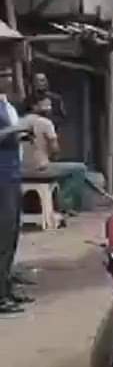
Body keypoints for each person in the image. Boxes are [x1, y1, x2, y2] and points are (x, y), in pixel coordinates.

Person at [21, 94, 89, 214]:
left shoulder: (18, 121)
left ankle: (55, 202)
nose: (49, 108)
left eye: (50, 105)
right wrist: (52, 155)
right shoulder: (45, 123)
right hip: (40, 168)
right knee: (79, 169)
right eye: (46, 105)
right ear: (34, 106)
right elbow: (55, 149)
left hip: (20, 169)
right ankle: (65, 205)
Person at [0, 68, 30, 315]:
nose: (10, 79)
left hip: (12, 174)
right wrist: (14, 130)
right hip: (1, 177)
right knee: (3, 236)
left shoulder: (7, 105)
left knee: (11, 236)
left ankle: (7, 289)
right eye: (5, 76)